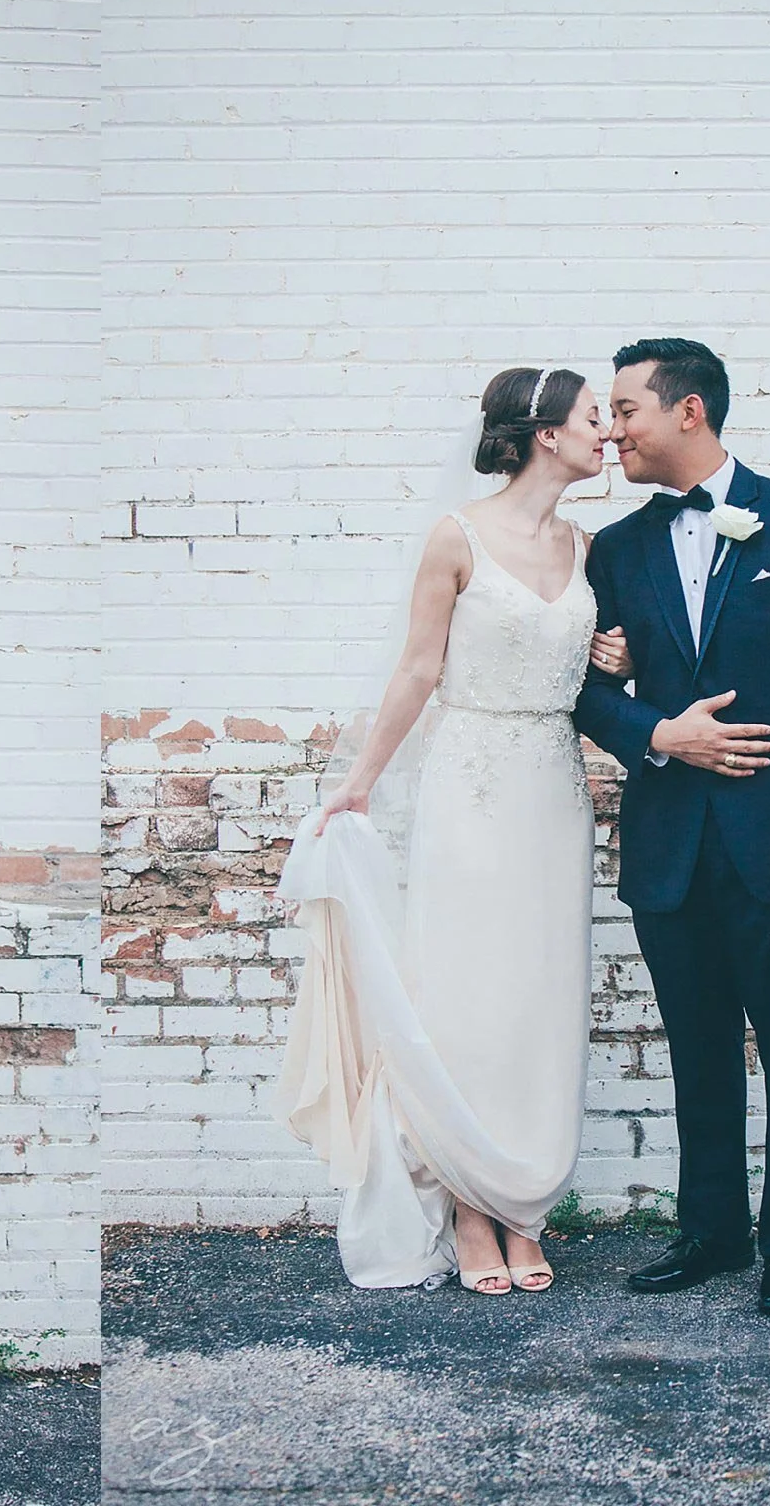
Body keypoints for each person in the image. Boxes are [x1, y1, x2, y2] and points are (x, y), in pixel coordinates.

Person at [277, 367, 631, 1294]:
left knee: (539, 1002)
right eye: (595, 418)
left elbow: (596, 685)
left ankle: (525, 1210)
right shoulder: (458, 536)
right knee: (470, 996)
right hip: (469, 792)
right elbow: (416, 671)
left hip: (554, 791)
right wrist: (356, 784)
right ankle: (472, 1211)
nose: (609, 434)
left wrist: (617, 660)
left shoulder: (588, 547)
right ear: (545, 434)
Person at [574, 337, 770, 1316]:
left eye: (624, 410)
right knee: (694, 1046)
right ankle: (709, 1232)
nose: (610, 429)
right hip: (670, 848)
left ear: (688, 411)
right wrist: (654, 732)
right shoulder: (615, 550)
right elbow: (580, 688)